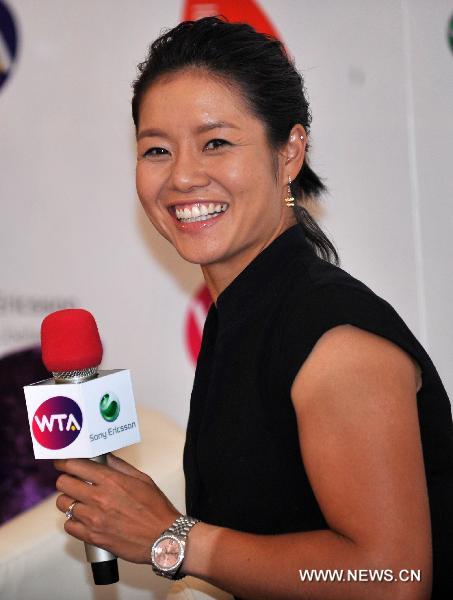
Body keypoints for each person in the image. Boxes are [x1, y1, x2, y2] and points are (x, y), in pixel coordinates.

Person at [54, 17, 453, 599]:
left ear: (289, 152)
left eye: (216, 142)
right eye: (157, 149)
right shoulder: (244, 312)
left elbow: (389, 579)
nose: (183, 177)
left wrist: (176, 538)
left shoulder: (335, 344)